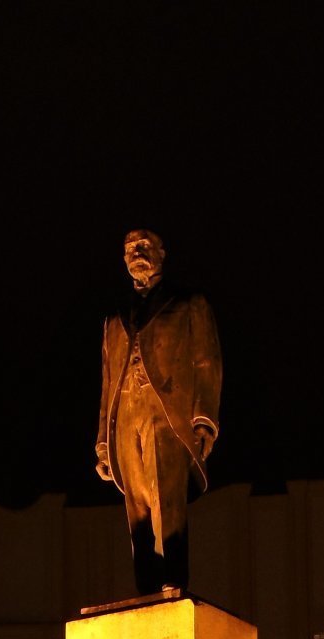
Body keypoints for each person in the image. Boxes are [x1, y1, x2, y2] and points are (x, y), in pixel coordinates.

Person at [95, 229, 222, 594]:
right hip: (126, 419)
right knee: (136, 507)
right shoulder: (114, 318)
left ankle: (173, 581)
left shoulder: (189, 302)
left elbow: (206, 362)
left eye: (144, 246)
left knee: (168, 498)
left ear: (162, 253)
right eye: (129, 249)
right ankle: (146, 587)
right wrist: (103, 442)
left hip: (168, 413)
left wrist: (203, 420)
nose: (136, 252)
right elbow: (107, 384)